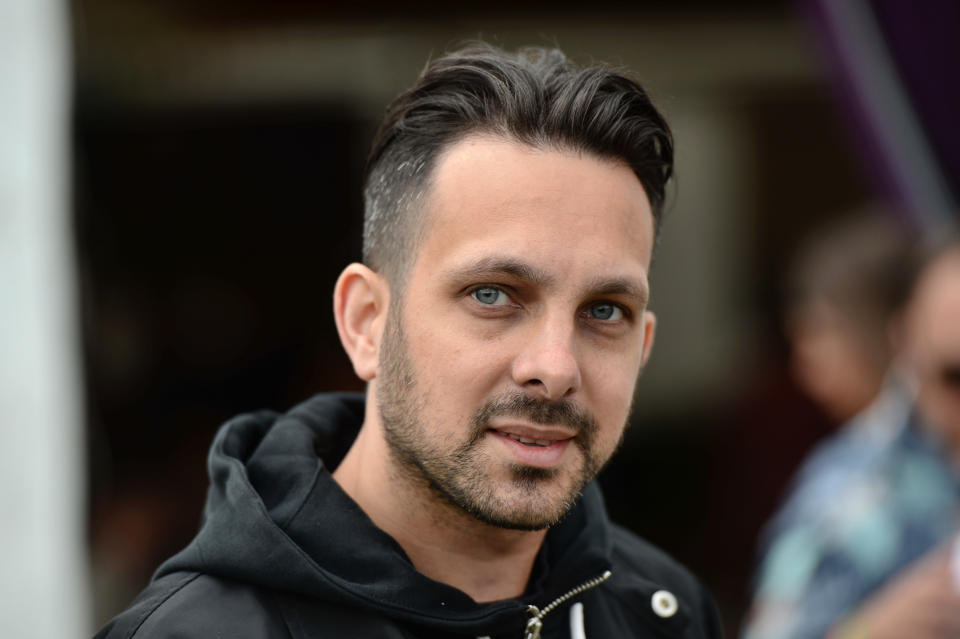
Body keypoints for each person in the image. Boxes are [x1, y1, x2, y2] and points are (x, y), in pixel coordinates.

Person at [94, 43, 723, 639]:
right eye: (492, 294)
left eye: (604, 309)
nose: (555, 368)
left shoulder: (664, 614)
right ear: (366, 322)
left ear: (642, 347)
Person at [743, 240, 960, 639]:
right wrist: (867, 631)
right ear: (904, 341)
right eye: (954, 376)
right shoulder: (847, 497)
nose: (805, 362)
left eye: (818, 333)